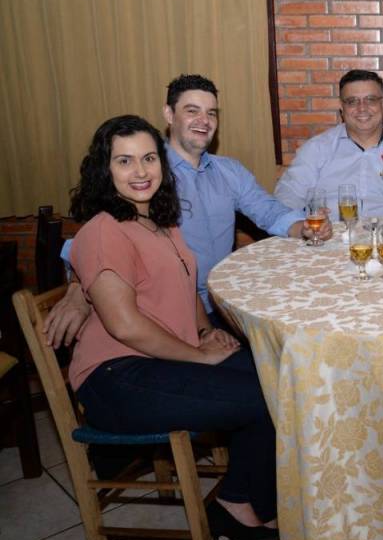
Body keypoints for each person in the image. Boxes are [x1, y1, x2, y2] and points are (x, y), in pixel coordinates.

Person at [67, 115, 280, 540]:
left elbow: (185, 285)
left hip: (164, 357)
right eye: (124, 161)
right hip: (116, 377)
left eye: (148, 158)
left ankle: (250, 498)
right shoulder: (104, 231)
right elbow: (124, 325)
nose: (140, 171)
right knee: (263, 398)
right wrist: (198, 354)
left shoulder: (161, 220)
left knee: (280, 378)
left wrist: (203, 330)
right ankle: (239, 505)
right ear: (104, 170)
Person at [45, 74, 327, 346]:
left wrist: (301, 227)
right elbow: (95, 240)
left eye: (211, 113)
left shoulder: (229, 171)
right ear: (169, 114)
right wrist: (77, 292)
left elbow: (268, 210)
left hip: (223, 305)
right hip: (167, 314)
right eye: (192, 111)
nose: (204, 121)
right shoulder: (147, 175)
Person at [273, 69, 383, 217]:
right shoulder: (317, 149)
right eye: (352, 101)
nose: (362, 108)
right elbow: (287, 197)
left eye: (370, 100)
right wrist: (301, 224)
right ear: (342, 108)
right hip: (331, 236)